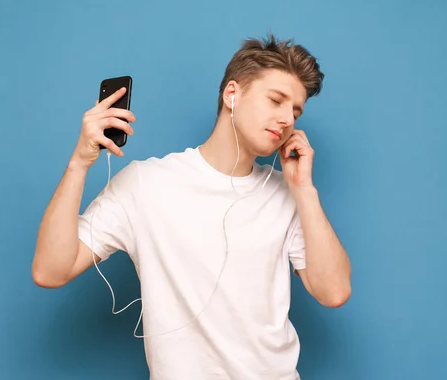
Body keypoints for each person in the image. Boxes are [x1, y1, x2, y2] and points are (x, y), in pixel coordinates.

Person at [32, 33, 352, 380]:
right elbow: (50, 271)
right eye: (276, 100)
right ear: (233, 93)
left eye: (295, 111)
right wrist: (79, 163)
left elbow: (333, 292)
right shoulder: (146, 184)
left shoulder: (285, 193)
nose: (287, 118)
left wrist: (304, 190)